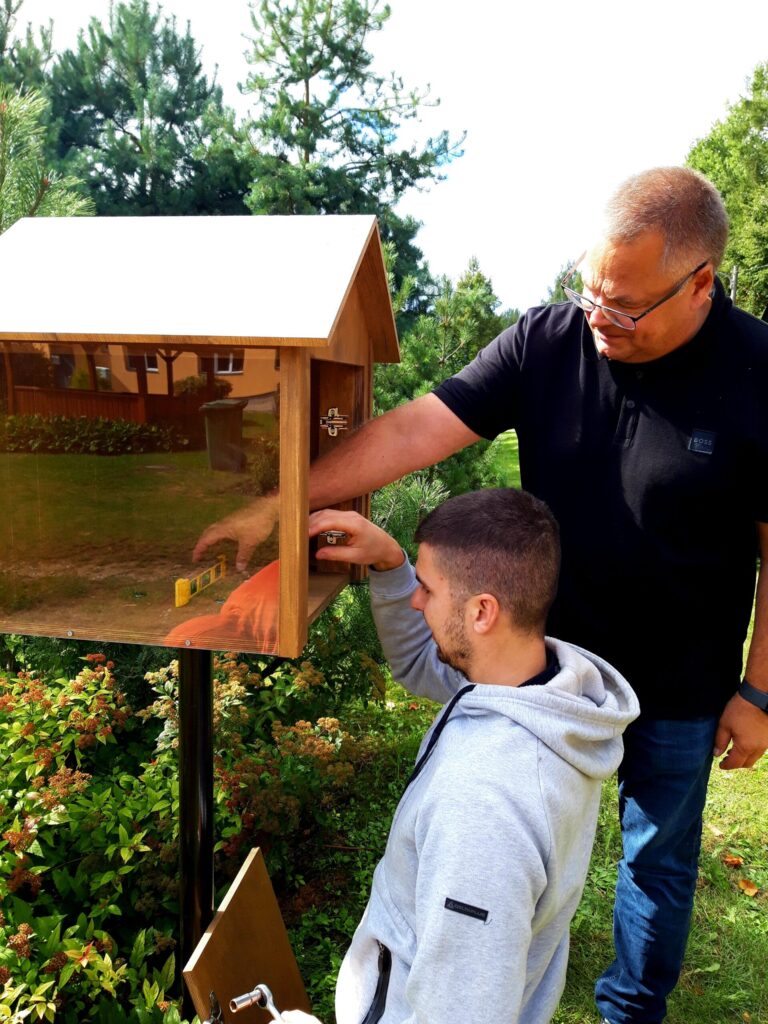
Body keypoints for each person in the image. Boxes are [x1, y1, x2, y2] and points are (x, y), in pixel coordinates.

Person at [195, 167, 768, 1023]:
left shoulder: (758, 372)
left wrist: (758, 691)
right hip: (542, 674)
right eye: (590, 292)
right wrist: (286, 499)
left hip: (682, 682)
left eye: (626, 308)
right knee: (519, 846)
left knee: (658, 860)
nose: (600, 321)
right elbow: (422, 425)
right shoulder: (549, 339)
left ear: (700, 285)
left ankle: (630, 1009)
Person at [282, 489, 638, 1024]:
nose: (417, 601)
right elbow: (421, 662)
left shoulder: (483, 809)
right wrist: (391, 563)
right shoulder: (544, 692)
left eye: (426, 589)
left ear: (481, 612)